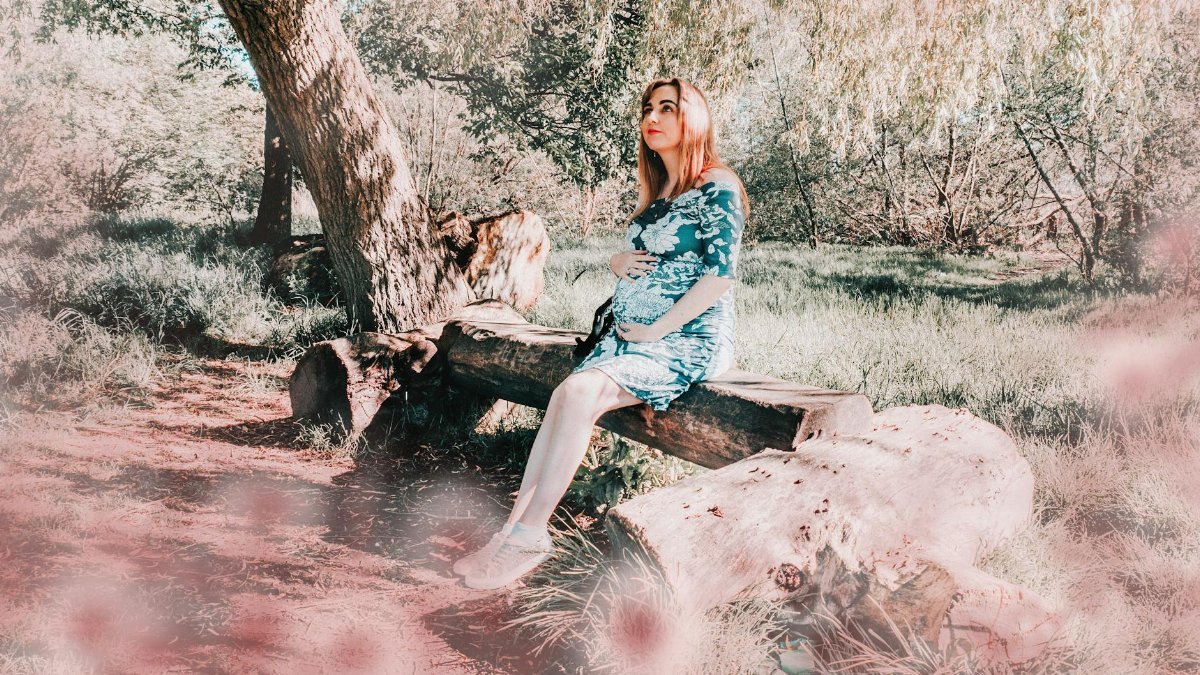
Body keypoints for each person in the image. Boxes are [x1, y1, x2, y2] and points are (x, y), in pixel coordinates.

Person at [454, 77, 749, 590]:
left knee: (577, 391)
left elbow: (720, 275)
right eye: (647, 108)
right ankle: (511, 531)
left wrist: (657, 328)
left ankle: (532, 534)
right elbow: (649, 256)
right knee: (563, 403)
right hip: (629, 337)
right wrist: (617, 261)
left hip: (687, 340)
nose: (651, 118)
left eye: (667, 109)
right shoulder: (659, 192)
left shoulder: (717, 186)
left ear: (692, 119)